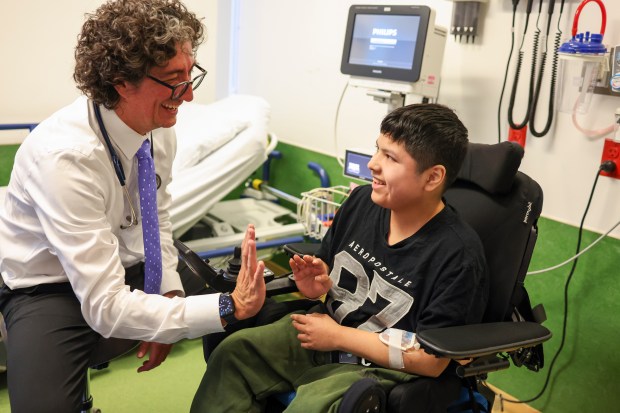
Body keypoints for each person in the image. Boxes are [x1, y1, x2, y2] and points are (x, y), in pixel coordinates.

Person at [0, 1, 265, 411]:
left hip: (128, 265)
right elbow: (105, 307)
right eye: (175, 80)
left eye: (190, 73)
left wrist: (170, 299)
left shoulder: (158, 128)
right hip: (47, 288)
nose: (190, 94)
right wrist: (227, 307)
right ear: (122, 82)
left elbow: (156, 215)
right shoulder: (66, 158)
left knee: (255, 308)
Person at [190, 103, 490, 412]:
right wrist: (316, 285)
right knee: (233, 354)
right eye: (378, 150)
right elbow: (327, 277)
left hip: (384, 367)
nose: (373, 164)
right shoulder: (362, 202)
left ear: (432, 178)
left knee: (312, 407)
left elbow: (430, 361)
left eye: (390, 157)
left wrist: (338, 337)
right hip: (325, 332)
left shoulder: (459, 256)